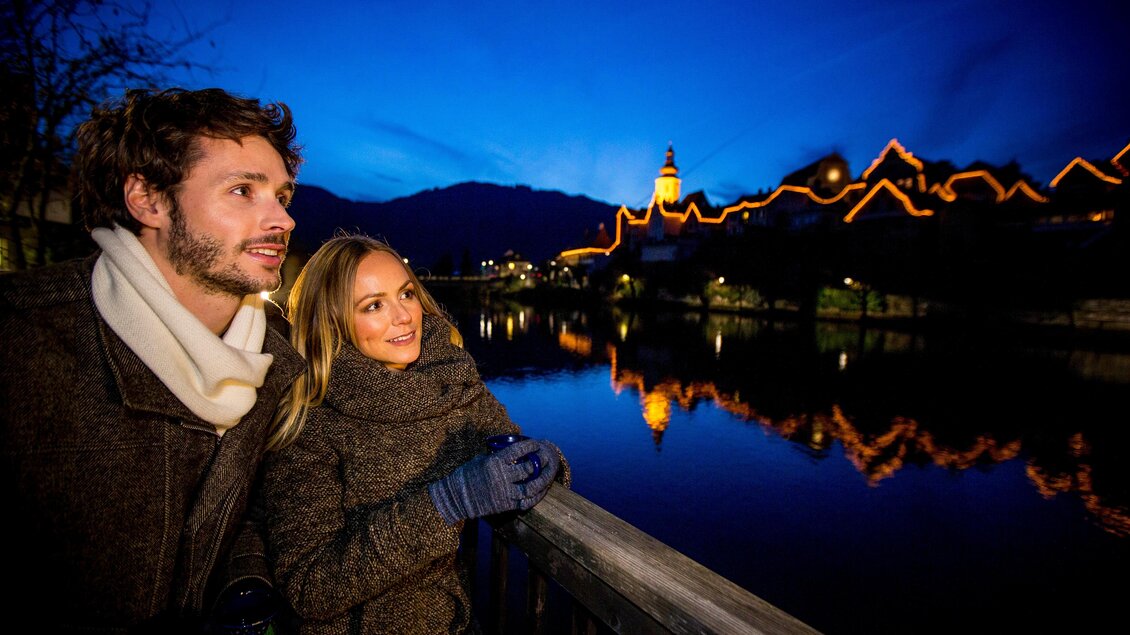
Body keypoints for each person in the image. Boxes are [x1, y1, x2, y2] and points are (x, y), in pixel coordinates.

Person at [0, 87, 304, 632]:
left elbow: (256, 508)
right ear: (148, 200)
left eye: (281, 196)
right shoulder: (21, 339)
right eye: (242, 191)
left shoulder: (280, 359)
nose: (282, 220)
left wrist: (245, 579)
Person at [263, 234, 571, 634]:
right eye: (374, 305)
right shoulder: (310, 422)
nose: (404, 316)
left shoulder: (451, 378)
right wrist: (446, 502)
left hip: (451, 622)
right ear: (333, 321)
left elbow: (507, 452)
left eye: (406, 294)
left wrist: (546, 461)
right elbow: (309, 587)